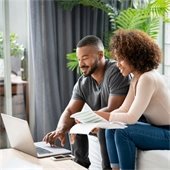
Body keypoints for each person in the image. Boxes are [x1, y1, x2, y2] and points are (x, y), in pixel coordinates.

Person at [43, 35, 131, 169]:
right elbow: (70, 111)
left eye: (85, 58)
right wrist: (60, 130)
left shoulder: (115, 71)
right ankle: (80, 166)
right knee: (76, 124)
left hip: (122, 122)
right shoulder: (83, 82)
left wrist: (87, 119)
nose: (81, 64)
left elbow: (114, 108)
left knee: (101, 127)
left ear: (100, 55)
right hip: (101, 121)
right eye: (79, 59)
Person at [95, 29, 170, 170]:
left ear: (134, 56)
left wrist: (100, 116)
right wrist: (102, 120)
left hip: (167, 132)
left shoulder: (148, 78)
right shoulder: (136, 78)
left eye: (120, 59)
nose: (117, 64)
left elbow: (131, 117)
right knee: (111, 128)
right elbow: (124, 109)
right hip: (158, 128)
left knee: (123, 132)